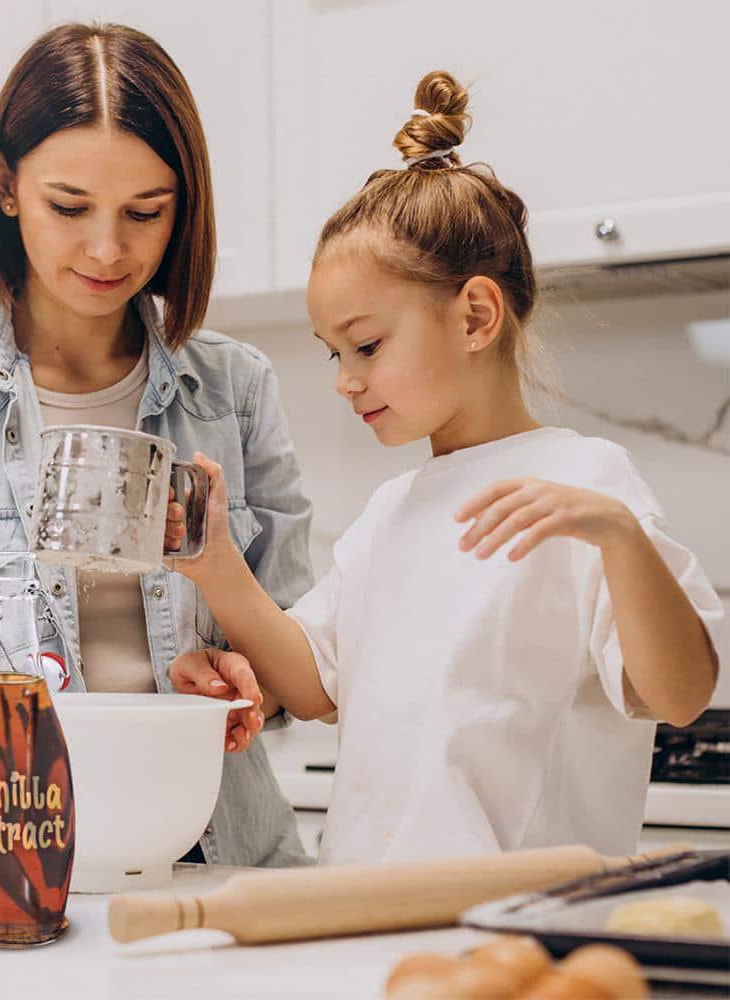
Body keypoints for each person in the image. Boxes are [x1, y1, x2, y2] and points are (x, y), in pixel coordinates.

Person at [167, 71, 723, 865]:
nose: (344, 379)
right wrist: (215, 563)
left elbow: (681, 693)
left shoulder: (590, 484)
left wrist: (623, 539)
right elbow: (314, 685)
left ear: (475, 316)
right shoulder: (393, 511)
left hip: (515, 933)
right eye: (334, 352)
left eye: (366, 345)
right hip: (366, 925)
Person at [0, 22, 312, 867]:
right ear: (7, 187)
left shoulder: (236, 388)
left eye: (146, 213)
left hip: (217, 857)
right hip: (1, 867)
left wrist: (246, 692)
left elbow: (301, 660)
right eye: (69, 206)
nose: (108, 249)